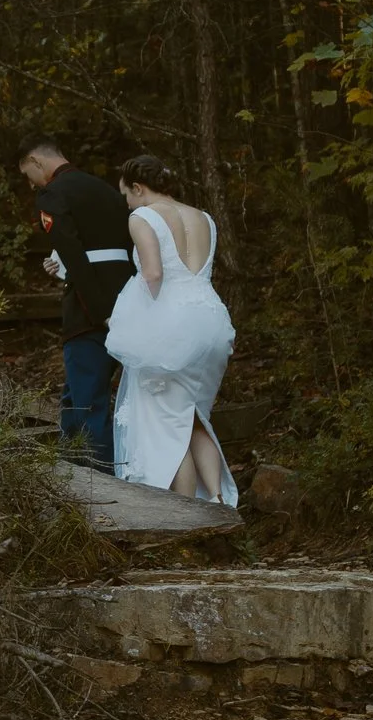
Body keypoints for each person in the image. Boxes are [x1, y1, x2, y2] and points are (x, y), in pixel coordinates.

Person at [104, 154, 238, 505]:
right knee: (194, 416)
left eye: (126, 196)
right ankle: (218, 499)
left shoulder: (143, 216)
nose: (127, 204)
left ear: (138, 187)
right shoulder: (204, 218)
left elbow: (153, 274)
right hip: (211, 321)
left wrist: (129, 321)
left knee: (165, 423)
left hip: (172, 326)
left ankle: (185, 512)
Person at [19, 136, 136, 475]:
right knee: (75, 396)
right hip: (128, 299)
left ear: (37, 161)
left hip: (90, 311)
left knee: (88, 403)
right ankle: (70, 473)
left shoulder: (53, 195)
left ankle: (101, 483)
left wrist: (100, 312)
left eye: (28, 173)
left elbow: (74, 254)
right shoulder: (104, 190)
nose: (30, 183)